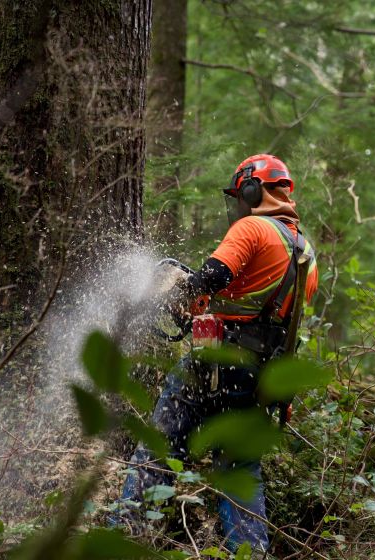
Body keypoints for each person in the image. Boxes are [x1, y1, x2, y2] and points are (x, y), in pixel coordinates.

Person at [115, 154, 318, 553]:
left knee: (160, 445)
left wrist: (173, 292)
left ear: (252, 189)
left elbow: (214, 275)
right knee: (239, 469)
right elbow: (270, 314)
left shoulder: (252, 229)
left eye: (241, 195)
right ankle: (249, 553)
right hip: (260, 377)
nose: (238, 205)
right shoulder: (305, 251)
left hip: (217, 364)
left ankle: (125, 536)